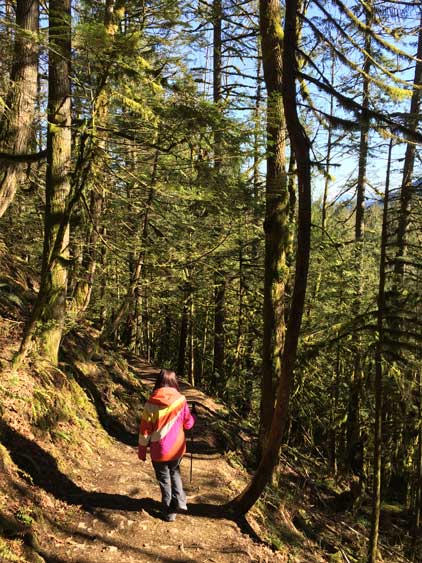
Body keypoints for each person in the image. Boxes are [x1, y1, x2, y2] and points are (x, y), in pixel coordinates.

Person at [138, 369, 195, 522]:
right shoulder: (181, 400)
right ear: (174, 382)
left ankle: (169, 513)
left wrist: (142, 451)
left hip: (159, 451)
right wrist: (192, 419)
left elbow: (144, 430)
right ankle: (180, 502)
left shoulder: (150, 403)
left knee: (164, 481)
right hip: (177, 448)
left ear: (159, 382)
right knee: (175, 472)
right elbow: (188, 424)